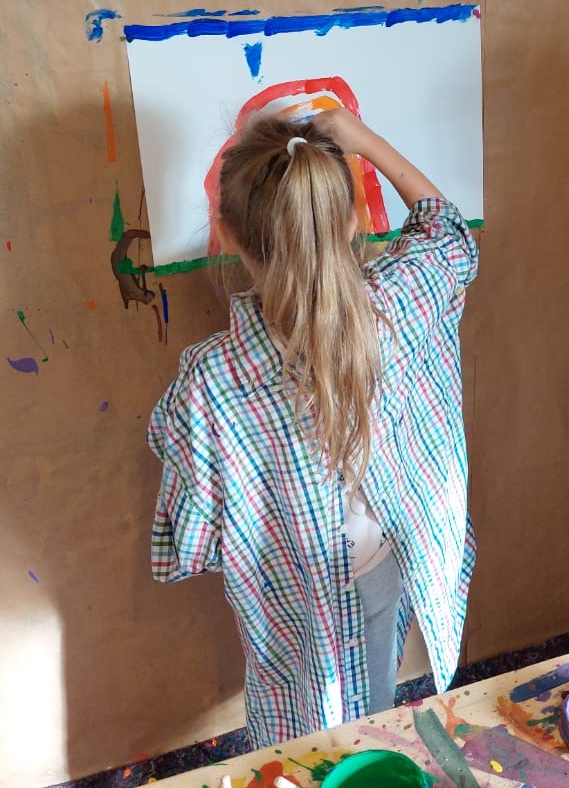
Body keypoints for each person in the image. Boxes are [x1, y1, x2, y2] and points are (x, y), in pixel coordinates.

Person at [148, 109, 478, 747]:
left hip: (291, 598)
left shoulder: (210, 378)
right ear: (353, 220)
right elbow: (449, 236)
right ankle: (369, 762)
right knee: (372, 692)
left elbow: (189, 543)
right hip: (386, 560)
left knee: (306, 722)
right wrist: (364, 140)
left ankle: (339, 772)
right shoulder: (402, 300)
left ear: (225, 233)